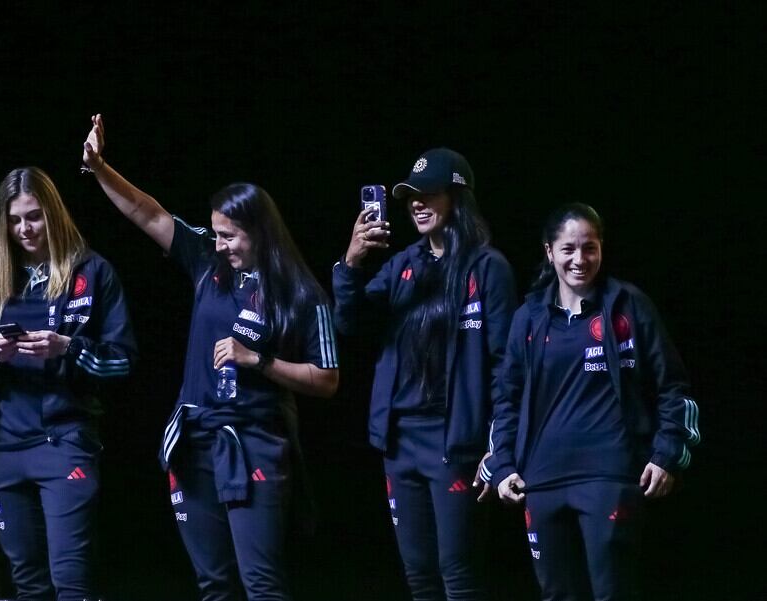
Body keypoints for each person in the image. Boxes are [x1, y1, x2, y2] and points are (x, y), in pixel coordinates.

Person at [81, 114, 339, 601]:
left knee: (261, 583)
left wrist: (258, 361)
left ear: (259, 232)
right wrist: (98, 168)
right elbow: (147, 213)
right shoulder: (208, 264)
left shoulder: (303, 294)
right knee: (213, 585)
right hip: (194, 442)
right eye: (216, 234)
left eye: (230, 236)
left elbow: (327, 380)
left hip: (255, 444)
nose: (219, 245)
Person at [481, 203, 701, 600]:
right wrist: (501, 465)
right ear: (549, 252)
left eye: (590, 248)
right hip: (541, 479)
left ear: (601, 249)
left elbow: (674, 388)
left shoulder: (629, 306)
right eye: (568, 249)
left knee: (611, 593)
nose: (579, 260)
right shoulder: (528, 317)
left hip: (610, 475)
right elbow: (505, 398)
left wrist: (666, 454)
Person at [333, 148, 516, 601]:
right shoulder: (402, 266)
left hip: (455, 441)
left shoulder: (487, 268)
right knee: (419, 577)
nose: (416, 203)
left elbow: (507, 369)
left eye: (428, 194)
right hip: (400, 442)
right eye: (410, 196)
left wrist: (499, 446)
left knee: (458, 576)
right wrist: (351, 264)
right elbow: (349, 325)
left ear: (457, 196)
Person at [0, 166, 137, 600]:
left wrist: (68, 348)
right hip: (3, 449)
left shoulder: (92, 272)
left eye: (33, 216)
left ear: (53, 213)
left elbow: (124, 362)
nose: (24, 229)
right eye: (15, 220)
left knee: (70, 580)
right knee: (28, 583)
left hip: (65, 443)